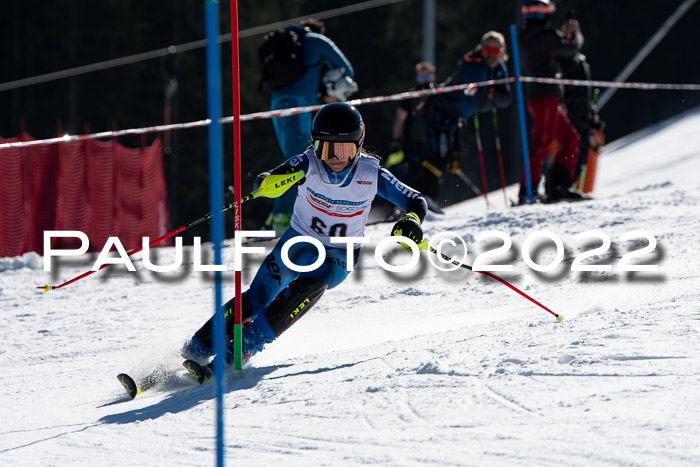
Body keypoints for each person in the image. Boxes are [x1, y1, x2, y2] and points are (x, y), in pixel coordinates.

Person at [181, 103, 428, 368]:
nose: (334, 159)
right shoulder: (307, 162)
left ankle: (243, 348)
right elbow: (277, 176)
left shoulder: (372, 174)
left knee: (314, 283)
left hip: (338, 253)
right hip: (299, 242)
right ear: (314, 145)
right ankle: (198, 346)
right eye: (325, 148)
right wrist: (266, 183)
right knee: (259, 296)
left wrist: (411, 220)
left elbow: (415, 200)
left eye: (343, 150)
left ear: (358, 145)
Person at [265, 19, 358, 233]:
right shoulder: (317, 41)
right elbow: (347, 71)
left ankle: (278, 215)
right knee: (296, 160)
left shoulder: (285, 44)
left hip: (276, 103)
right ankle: (282, 218)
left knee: (291, 158)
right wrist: (330, 89)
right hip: (299, 104)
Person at [518, 0, 583, 203]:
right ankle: (527, 192)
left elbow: (559, 45)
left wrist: (566, 34)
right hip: (544, 98)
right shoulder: (540, 36)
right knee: (541, 144)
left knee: (571, 138)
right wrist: (574, 34)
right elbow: (570, 48)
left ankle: (558, 186)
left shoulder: (531, 36)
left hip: (549, 98)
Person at [388, 62, 451, 209]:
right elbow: (399, 119)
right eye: (421, 76)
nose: (425, 79)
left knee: (434, 177)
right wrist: (396, 140)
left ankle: (432, 206)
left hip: (436, 146)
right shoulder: (410, 96)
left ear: (433, 76)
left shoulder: (440, 95)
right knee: (409, 178)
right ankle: (402, 208)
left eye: (427, 75)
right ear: (417, 77)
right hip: (413, 145)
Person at [442, 31, 512, 120]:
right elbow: (482, 104)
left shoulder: (500, 66)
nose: (491, 54)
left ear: (502, 52)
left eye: (496, 50)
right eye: (488, 50)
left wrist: (491, 94)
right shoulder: (474, 65)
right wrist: (493, 95)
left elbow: (506, 100)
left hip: (461, 116)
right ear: (481, 48)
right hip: (448, 109)